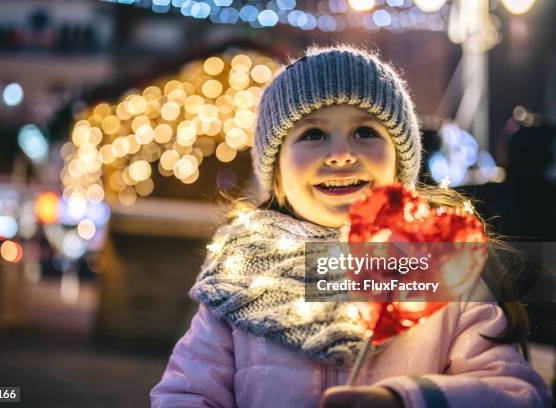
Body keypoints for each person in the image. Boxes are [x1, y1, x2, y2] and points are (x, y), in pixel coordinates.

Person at [150, 46, 551, 407]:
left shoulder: (443, 268)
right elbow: (186, 393)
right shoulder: (239, 279)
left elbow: (515, 393)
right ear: (275, 176)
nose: (341, 154)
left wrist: (406, 401)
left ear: (401, 161)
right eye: (313, 134)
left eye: (364, 132)